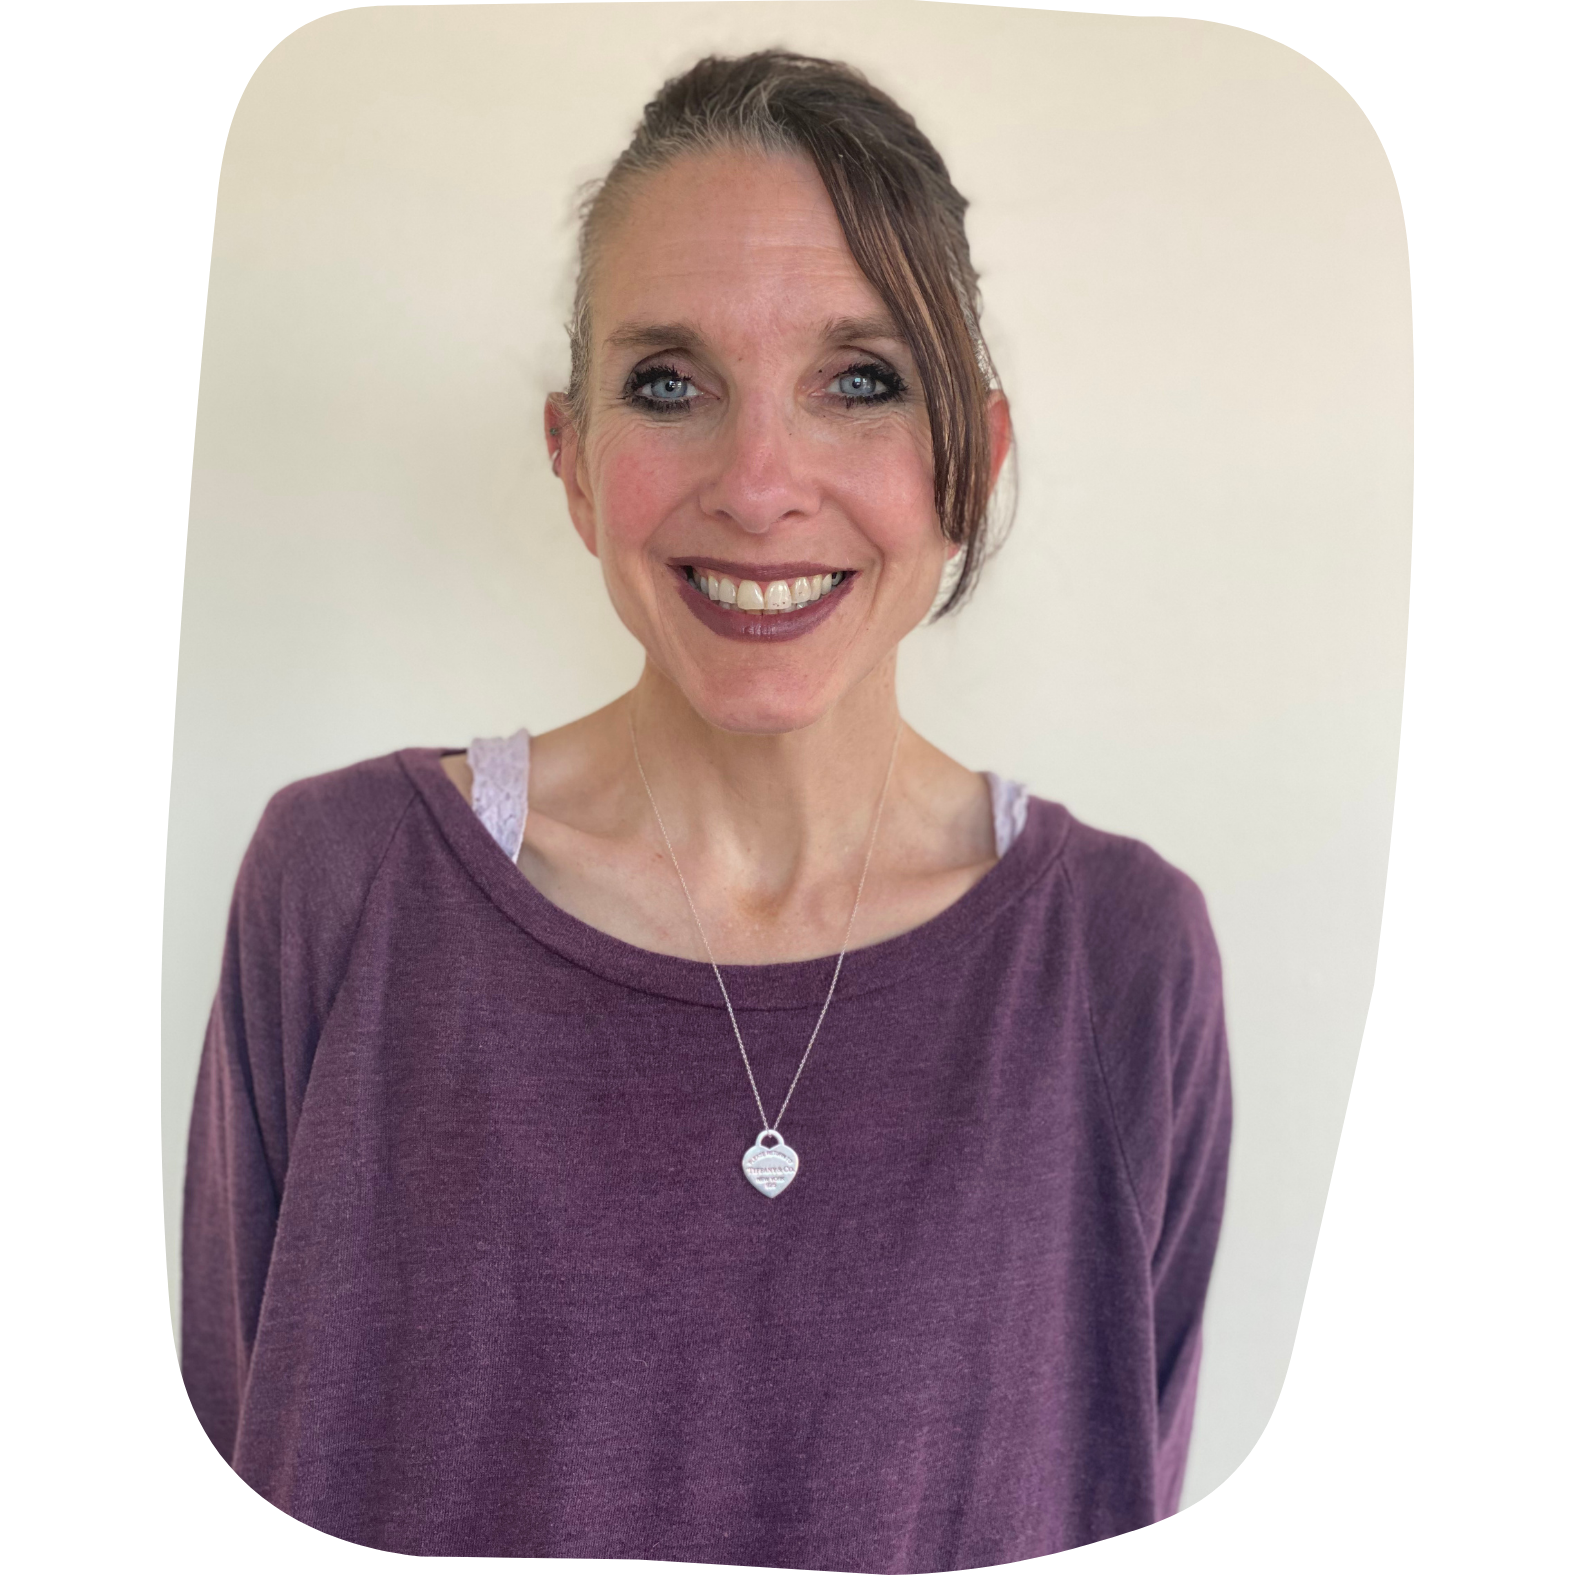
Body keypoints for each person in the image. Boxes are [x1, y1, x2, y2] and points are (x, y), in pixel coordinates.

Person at [182, 49, 1232, 1572]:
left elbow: (1118, 1511)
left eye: (857, 381)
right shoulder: (342, 889)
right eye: (668, 384)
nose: (758, 481)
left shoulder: (1120, 957)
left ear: (970, 458)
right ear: (572, 462)